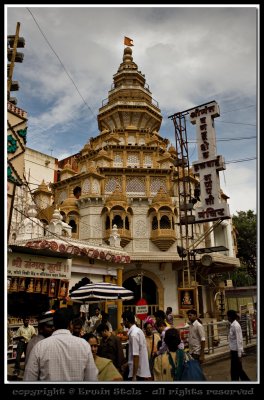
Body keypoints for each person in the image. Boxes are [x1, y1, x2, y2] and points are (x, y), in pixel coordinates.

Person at [23, 308, 98, 381]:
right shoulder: (84, 345)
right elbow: (92, 378)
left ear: (54, 324)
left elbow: (29, 379)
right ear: (71, 324)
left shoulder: (40, 347)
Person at [121, 310, 151, 381]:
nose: (123, 322)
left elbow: (136, 356)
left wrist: (134, 376)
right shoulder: (138, 330)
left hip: (137, 373)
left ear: (126, 320)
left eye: (123, 320)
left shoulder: (134, 334)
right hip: (139, 371)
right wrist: (127, 364)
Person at [227, 309, 250, 381]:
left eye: (227, 316)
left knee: (238, 370)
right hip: (233, 351)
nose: (227, 318)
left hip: (236, 352)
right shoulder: (232, 325)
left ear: (230, 317)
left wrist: (239, 355)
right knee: (235, 371)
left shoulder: (236, 326)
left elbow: (239, 340)